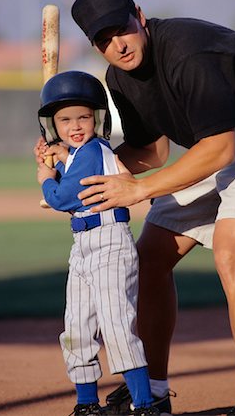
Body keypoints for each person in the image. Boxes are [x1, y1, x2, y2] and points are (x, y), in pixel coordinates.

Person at [70, 0, 235, 416]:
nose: (118, 45)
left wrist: (140, 189)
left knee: (232, 250)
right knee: (149, 257)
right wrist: (73, 173)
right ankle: (155, 393)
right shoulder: (120, 77)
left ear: (139, 16)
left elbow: (218, 149)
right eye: (103, 40)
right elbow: (150, 152)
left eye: (120, 29)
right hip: (227, 144)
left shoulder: (188, 49)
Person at [35, 70, 160, 416]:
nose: (74, 125)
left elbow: (61, 198)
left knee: (116, 324)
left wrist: (46, 178)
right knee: (77, 327)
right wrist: (59, 156)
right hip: (84, 245)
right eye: (64, 120)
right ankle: (87, 403)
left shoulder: (90, 151)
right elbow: (74, 164)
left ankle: (144, 404)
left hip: (108, 242)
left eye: (83, 117)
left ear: (98, 119)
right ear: (52, 125)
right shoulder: (80, 153)